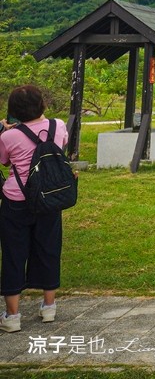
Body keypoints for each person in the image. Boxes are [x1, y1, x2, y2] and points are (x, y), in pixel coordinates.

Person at [0, 85, 69, 333]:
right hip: (49, 199)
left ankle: (12, 315)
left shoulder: (8, 136)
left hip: (16, 201)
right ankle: (49, 307)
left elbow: (5, 160)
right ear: (43, 105)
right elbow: (62, 146)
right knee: (49, 248)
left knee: (13, 254)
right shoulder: (58, 125)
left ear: (14, 111)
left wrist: (8, 130)